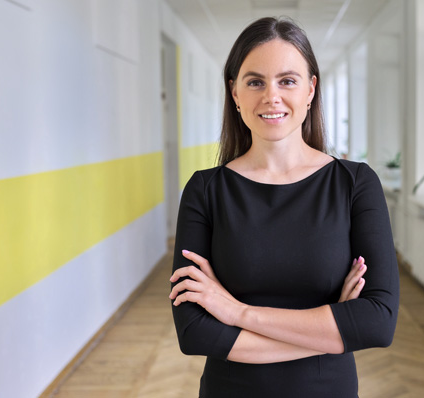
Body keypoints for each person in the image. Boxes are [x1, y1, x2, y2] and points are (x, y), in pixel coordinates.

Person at [169, 16, 399, 398]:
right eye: (255, 81)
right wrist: (332, 331)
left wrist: (237, 313)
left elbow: (377, 322)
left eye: (287, 80)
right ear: (235, 93)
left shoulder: (355, 184)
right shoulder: (205, 190)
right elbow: (194, 332)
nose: (271, 96)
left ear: (310, 90)